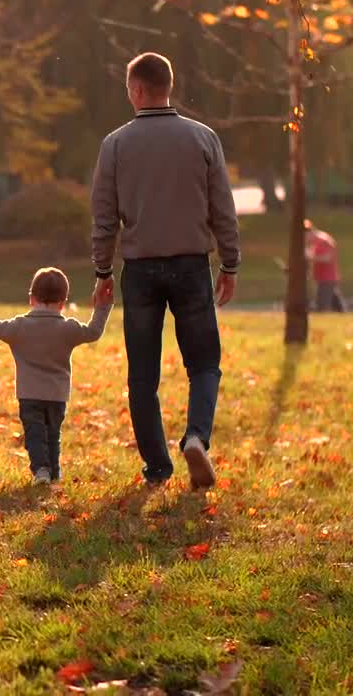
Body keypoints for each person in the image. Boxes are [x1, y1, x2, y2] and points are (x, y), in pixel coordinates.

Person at [90, 52, 241, 491]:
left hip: (140, 270)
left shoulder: (115, 145)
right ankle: (196, 437)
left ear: (137, 90)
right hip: (191, 264)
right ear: (168, 86)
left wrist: (103, 270)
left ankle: (157, 466)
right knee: (204, 363)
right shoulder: (203, 138)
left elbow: (104, 217)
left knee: (142, 374)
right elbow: (222, 208)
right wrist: (229, 263)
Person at [0, 267, 112, 485]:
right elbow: (93, 332)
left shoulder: (19, 327)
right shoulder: (68, 328)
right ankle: (54, 472)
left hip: (29, 394)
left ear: (32, 299)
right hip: (58, 396)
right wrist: (103, 306)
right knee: (53, 435)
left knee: (35, 434)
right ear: (62, 303)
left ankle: (41, 470)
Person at [305, 220, 346, 312]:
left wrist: (311, 257)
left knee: (322, 306)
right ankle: (344, 314)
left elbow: (328, 258)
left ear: (310, 231)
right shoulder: (314, 242)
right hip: (322, 278)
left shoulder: (323, 240)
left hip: (327, 278)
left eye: (304, 234)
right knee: (337, 305)